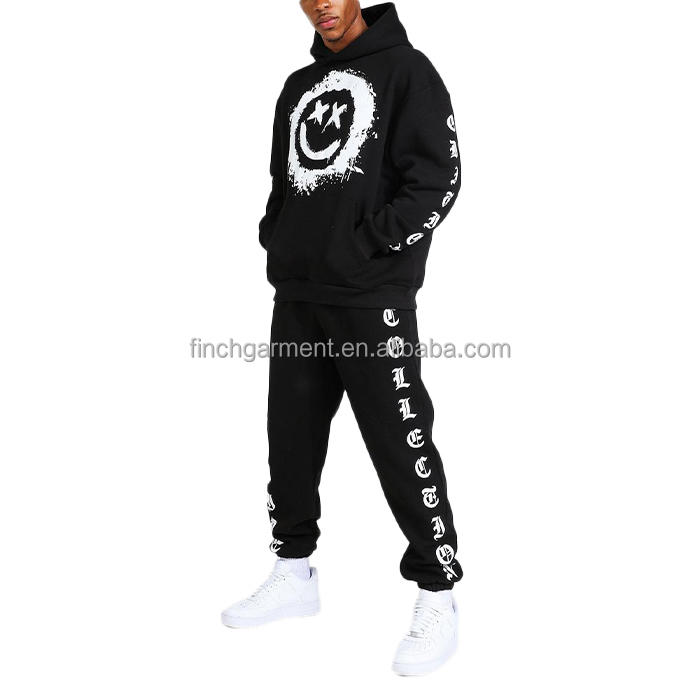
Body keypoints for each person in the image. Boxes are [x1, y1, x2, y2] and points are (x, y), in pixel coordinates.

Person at [222, 0, 463, 676]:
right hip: (299, 292)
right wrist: (281, 241)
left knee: (397, 438)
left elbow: (438, 179)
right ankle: (294, 570)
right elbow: (283, 184)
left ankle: (437, 592)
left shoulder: (408, 71)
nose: (321, 5)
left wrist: (368, 246)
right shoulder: (299, 86)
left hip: (370, 296)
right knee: (290, 435)